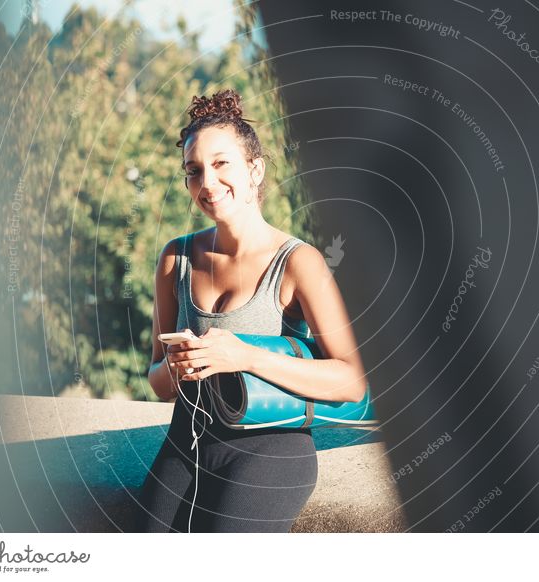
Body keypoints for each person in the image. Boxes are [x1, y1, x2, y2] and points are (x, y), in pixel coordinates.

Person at [135, 88, 367, 532]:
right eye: (194, 171)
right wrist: (180, 365)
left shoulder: (299, 263)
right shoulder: (175, 258)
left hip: (271, 456)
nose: (207, 183)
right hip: (186, 446)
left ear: (254, 169)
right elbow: (158, 383)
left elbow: (352, 382)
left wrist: (244, 356)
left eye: (222, 164)